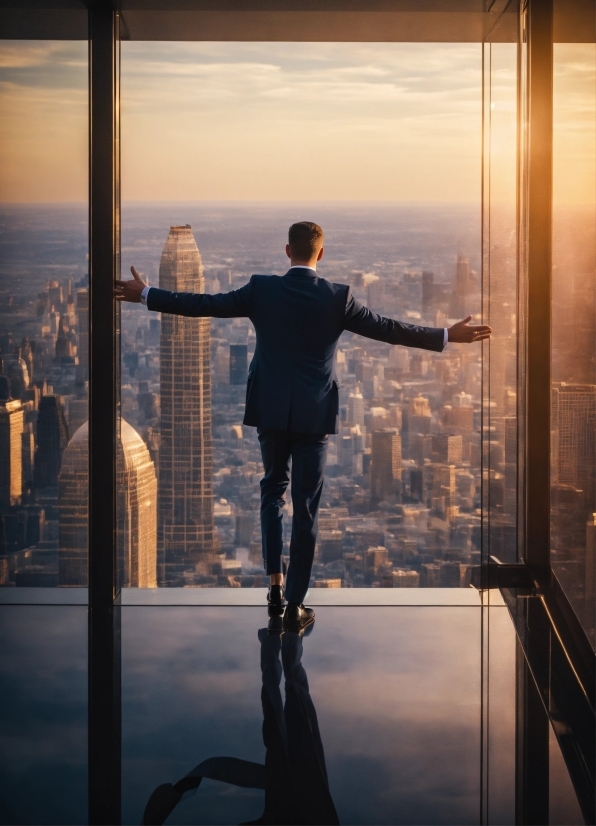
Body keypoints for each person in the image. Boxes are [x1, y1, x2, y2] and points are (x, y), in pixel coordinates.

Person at [116, 221, 491, 631]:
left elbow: (205, 304)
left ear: (287, 251)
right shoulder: (337, 298)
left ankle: (274, 586)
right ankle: (295, 605)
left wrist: (147, 294)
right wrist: (445, 335)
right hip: (313, 416)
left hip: (270, 411)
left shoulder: (262, 290)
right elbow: (389, 330)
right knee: (306, 508)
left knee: (272, 491)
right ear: (321, 254)